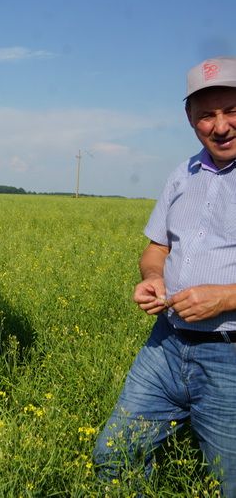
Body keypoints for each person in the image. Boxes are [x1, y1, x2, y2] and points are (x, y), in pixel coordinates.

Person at [93, 57, 236, 496]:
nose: (221, 126)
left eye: (231, 111)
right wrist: (152, 276)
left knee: (226, 483)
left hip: (229, 357)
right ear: (190, 118)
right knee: (115, 454)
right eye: (207, 115)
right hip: (166, 346)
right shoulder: (182, 175)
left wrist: (228, 298)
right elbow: (157, 248)